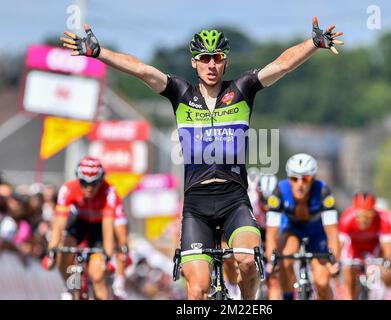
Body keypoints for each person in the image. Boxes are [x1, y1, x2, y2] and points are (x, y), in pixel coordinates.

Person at [60, 17, 343, 300]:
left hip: (234, 199)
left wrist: (312, 44)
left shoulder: (241, 90)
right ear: (194, 62)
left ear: (225, 62)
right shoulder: (181, 93)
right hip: (196, 203)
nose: (211, 65)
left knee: (247, 260)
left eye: (217, 58)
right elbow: (142, 71)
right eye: (204, 58)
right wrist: (99, 53)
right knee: (198, 290)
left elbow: (281, 65)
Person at [265, 153, 341, 300]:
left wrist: (334, 261)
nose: (300, 184)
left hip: (316, 233)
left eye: (305, 178)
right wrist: (271, 261)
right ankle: (288, 296)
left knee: (322, 283)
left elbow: (332, 233)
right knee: (285, 257)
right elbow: (271, 233)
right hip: (293, 230)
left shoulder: (323, 192)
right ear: (289, 178)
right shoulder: (279, 191)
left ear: (312, 179)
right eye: (294, 178)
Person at [41, 156, 118, 300]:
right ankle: (69, 285)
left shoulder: (109, 192)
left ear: (100, 181)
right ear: (78, 179)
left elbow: (108, 228)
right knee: (64, 247)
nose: (89, 188)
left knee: (97, 275)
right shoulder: (68, 188)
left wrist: (108, 257)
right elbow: (59, 224)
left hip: (99, 228)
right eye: (84, 183)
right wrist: (51, 252)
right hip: (79, 223)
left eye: (94, 184)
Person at [338, 191, 391, 300]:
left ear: (374, 212)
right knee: (349, 282)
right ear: (354, 212)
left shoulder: (382, 220)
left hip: (372, 252)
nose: (364, 220)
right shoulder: (347, 219)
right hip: (353, 252)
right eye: (360, 215)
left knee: (385, 275)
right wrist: (335, 261)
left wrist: (387, 264)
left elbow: (387, 248)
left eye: (368, 215)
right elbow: (339, 244)